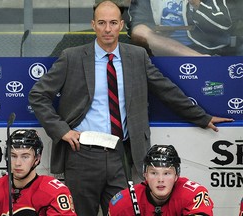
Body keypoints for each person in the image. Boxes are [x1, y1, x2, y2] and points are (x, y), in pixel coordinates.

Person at [28, 1, 233, 215]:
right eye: (102, 23)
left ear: (121, 25)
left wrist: (202, 117)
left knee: (126, 212)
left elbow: (166, 90)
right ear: (93, 25)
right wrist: (62, 131)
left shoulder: (137, 56)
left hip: (122, 156)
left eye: (113, 23)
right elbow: (38, 95)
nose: (108, 29)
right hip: (82, 155)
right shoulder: (73, 56)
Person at [0, 129, 76, 216]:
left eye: (25, 156)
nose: (18, 163)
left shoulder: (55, 192)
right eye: (13, 156)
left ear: (37, 158)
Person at [108, 144, 214, 215]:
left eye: (167, 173)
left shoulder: (193, 194)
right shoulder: (124, 202)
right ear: (145, 175)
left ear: (176, 176)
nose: (160, 179)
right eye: (154, 173)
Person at [127, 0, 233, 56]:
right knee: (140, 32)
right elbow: (136, 26)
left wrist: (196, 3)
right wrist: (154, 30)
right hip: (159, 48)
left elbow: (223, 25)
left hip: (204, 48)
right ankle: (198, 58)